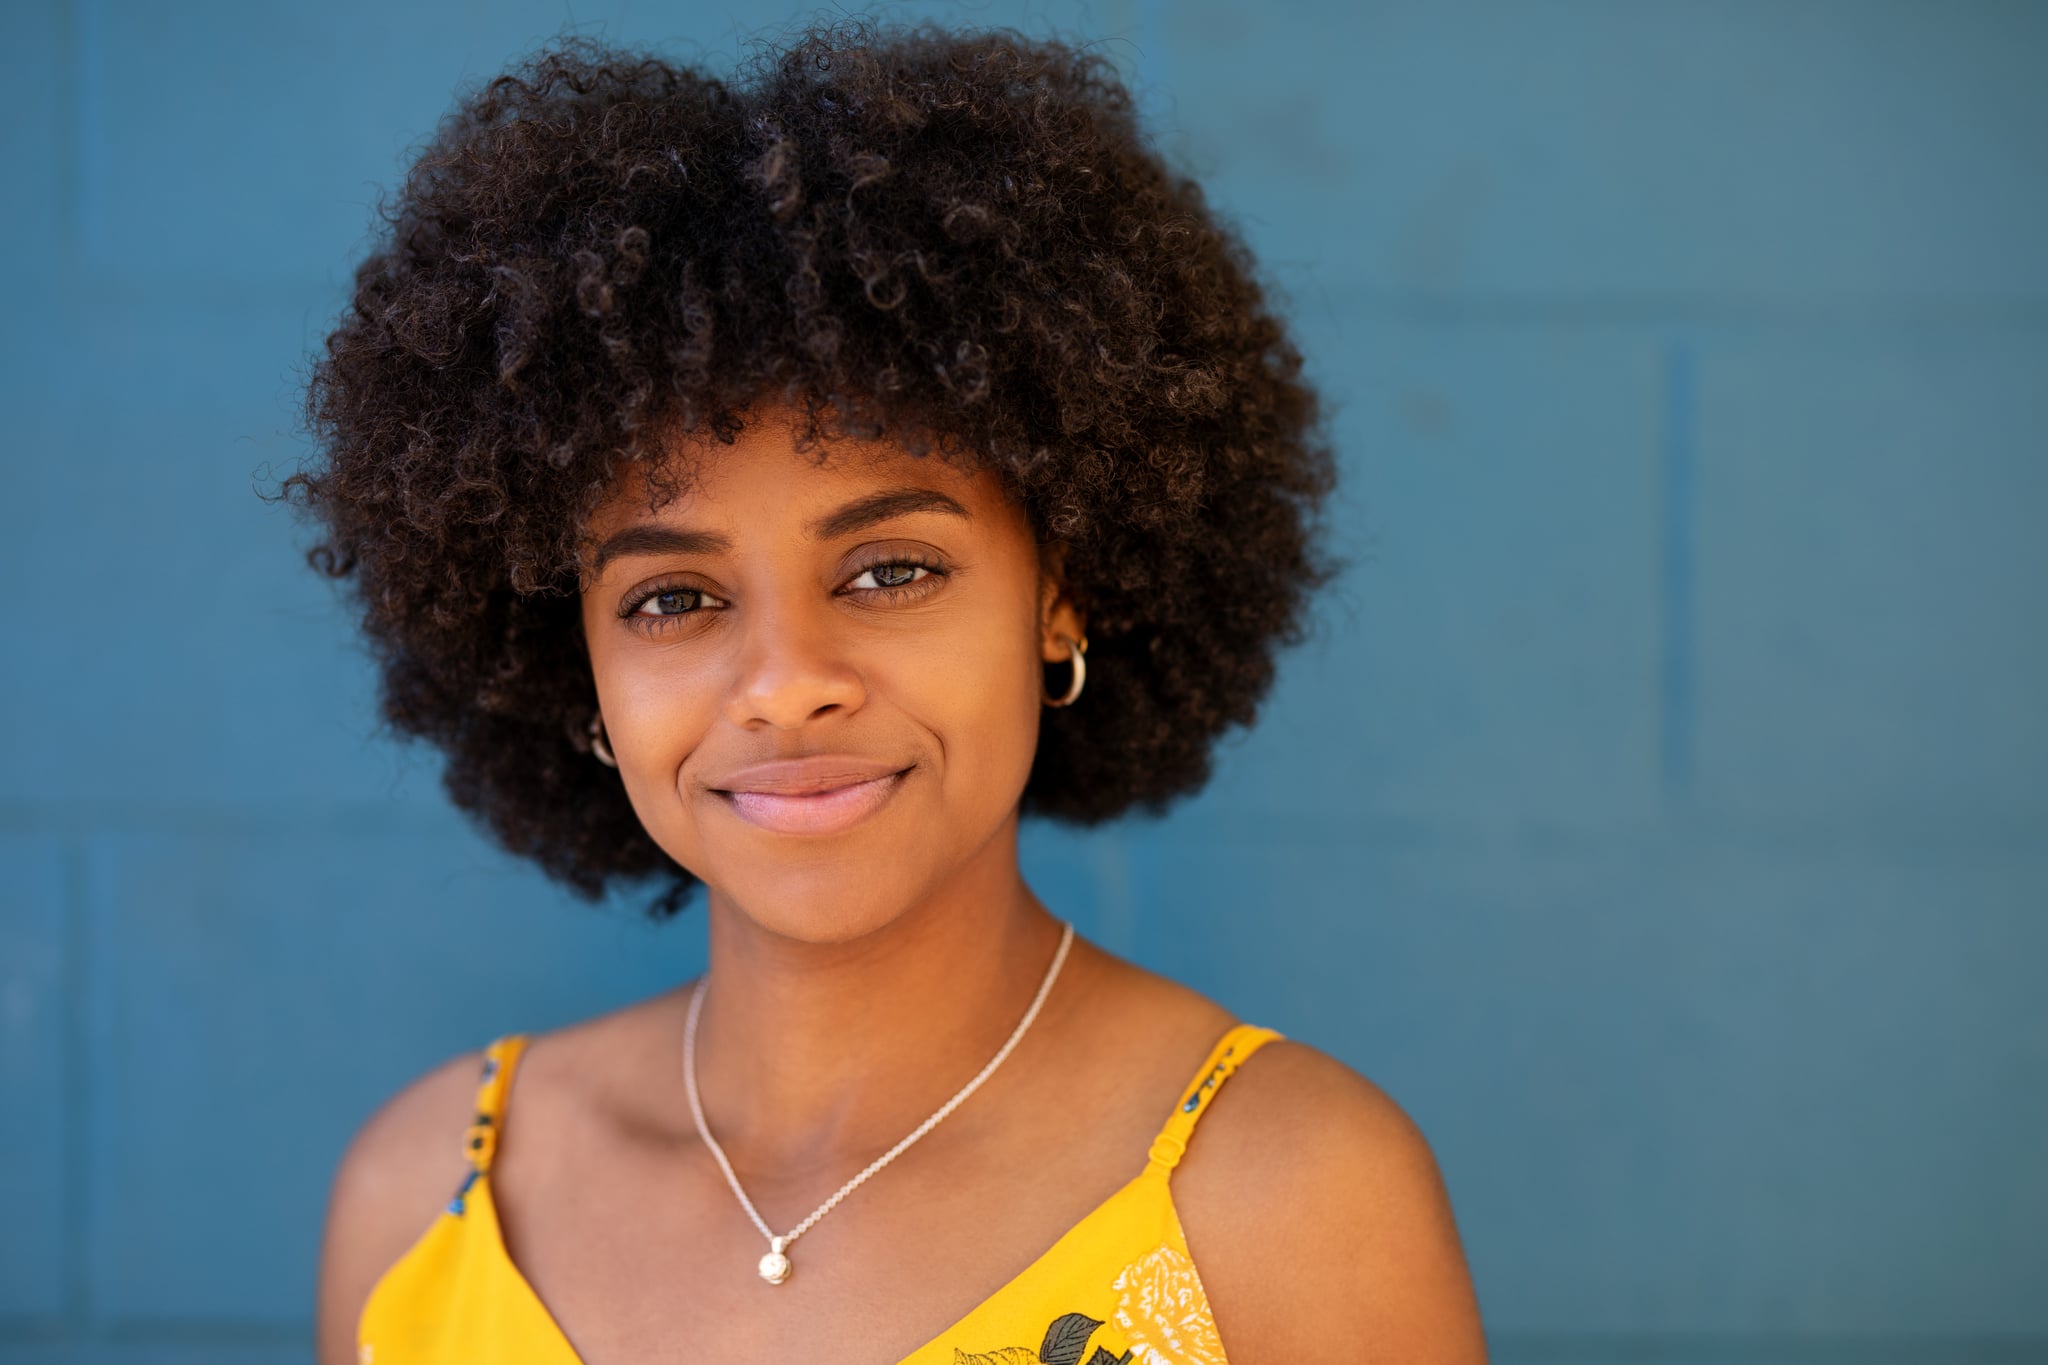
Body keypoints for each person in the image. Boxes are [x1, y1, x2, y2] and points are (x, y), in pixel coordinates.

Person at [294, 18, 1488, 1364]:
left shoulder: (1289, 1201)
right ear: (576, 662)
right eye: (673, 599)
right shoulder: (422, 1200)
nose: (787, 684)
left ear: (1060, 591)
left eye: (891, 569)